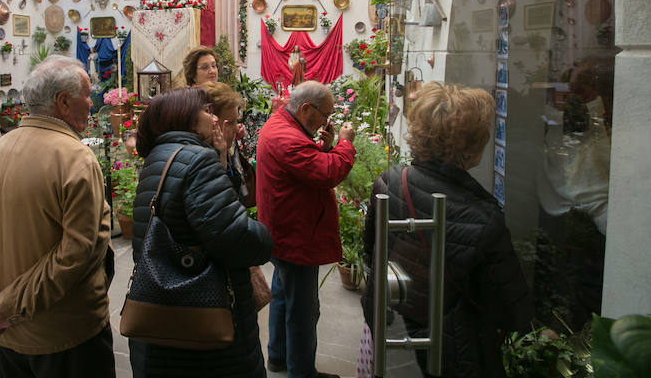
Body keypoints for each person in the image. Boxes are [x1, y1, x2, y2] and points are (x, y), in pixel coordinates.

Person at [0, 56, 115, 378]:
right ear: (64, 102)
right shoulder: (76, 159)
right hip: (67, 337)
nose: (92, 103)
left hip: (8, 338)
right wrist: (5, 307)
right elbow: (78, 254)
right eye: (87, 94)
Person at [360, 82, 532, 378]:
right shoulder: (484, 218)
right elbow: (512, 310)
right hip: (451, 353)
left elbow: (372, 254)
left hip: (392, 330)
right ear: (473, 145)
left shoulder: (390, 181)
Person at [129, 87, 273, 378]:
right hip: (204, 331)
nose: (215, 119)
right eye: (207, 111)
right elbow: (238, 239)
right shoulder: (197, 160)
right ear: (187, 118)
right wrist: (265, 236)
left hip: (160, 323)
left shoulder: (160, 156)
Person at [256, 80, 356, 378]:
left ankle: (278, 357)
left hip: (282, 230)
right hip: (296, 235)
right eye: (325, 115)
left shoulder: (281, 124)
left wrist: (322, 146)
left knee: (284, 295)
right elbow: (328, 171)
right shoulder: (287, 137)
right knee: (303, 310)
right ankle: (301, 372)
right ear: (306, 109)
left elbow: (305, 163)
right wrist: (345, 143)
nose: (327, 121)